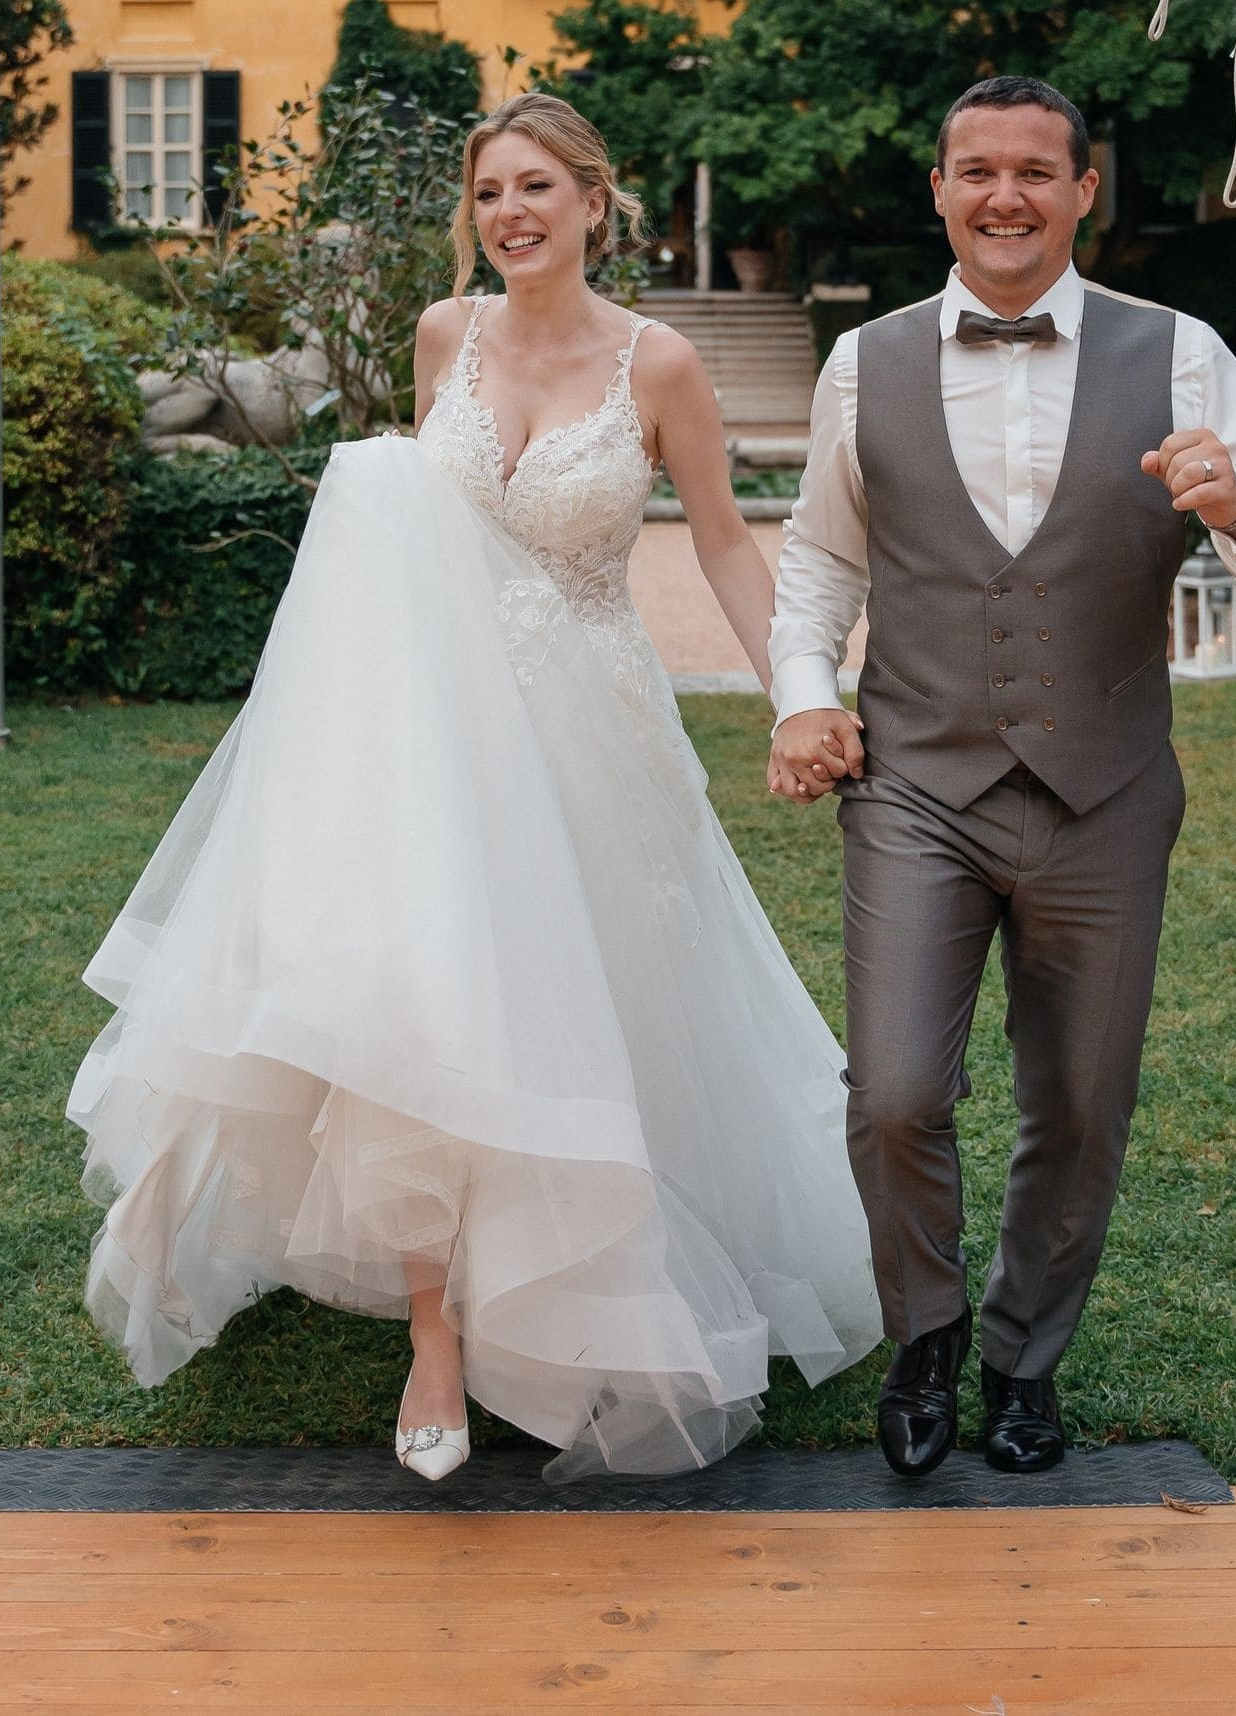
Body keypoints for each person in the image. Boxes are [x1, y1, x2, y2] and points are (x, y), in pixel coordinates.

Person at [68, 93, 879, 1484]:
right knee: (425, 1009)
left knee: (574, 1015)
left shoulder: (662, 364)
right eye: (491, 193)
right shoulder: (447, 335)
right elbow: (404, 541)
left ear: (593, 201)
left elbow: (733, 552)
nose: (511, 214)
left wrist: (799, 693)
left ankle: (582, 1264)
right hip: (422, 738)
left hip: (586, 732)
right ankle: (435, 1329)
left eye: (537, 189)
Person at [767, 75, 1236, 1479]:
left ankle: (1021, 1358)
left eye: (1033, 171)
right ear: (940, 192)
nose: (1002, 195)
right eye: (974, 171)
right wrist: (804, 697)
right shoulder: (865, 363)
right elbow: (822, 560)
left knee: (1080, 1098)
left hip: (1109, 784)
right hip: (916, 784)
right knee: (894, 1088)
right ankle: (929, 1334)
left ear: (1085, 192)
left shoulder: (1180, 351)